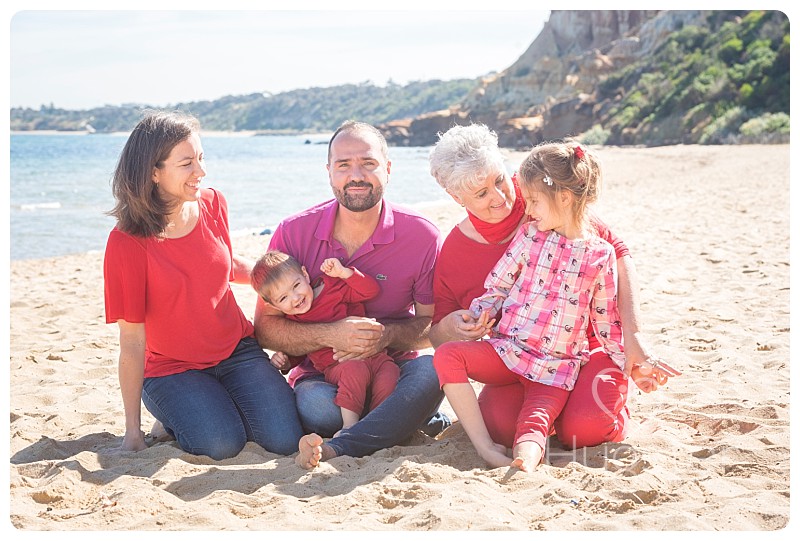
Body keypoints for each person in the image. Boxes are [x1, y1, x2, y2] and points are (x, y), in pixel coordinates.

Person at [428, 124, 680, 457]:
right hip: (518, 356)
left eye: (500, 180)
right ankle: (552, 414)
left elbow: (617, 251)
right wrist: (456, 326)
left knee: (587, 430)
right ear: (456, 197)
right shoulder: (455, 251)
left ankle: (598, 410)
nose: (501, 197)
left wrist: (634, 339)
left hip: (586, 348)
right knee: (500, 427)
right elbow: (438, 335)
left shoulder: (544, 193)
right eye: (481, 194)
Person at [103, 110, 303, 460]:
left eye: (201, 158)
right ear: (153, 172)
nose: (201, 172)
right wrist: (131, 433)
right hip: (172, 368)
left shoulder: (212, 203)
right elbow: (133, 341)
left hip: (236, 350)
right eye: (187, 164)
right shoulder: (127, 242)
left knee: (284, 440)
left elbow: (225, 266)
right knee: (220, 445)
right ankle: (166, 417)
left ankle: (208, 406)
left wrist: (280, 275)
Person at [253, 120, 448, 469]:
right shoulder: (292, 233)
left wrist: (384, 337)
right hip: (325, 377)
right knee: (316, 407)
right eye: (343, 165)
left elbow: (433, 324)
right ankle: (399, 422)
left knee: (435, 372)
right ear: (329, 172)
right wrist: (332, 334)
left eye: (368, 163)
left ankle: (346, 443)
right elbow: (266, 328)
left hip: (395, 369)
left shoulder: (421, 235)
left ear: (387, 169)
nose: (356, 175)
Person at [250, 250, 400, 435]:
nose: (295, 298)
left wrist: (345, 273)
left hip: (375, 355)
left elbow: (371, 291)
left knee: (390, 373)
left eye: (296, 285)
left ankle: (378, 424)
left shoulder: (332, 286)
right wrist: (286, 362)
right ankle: (350, 427)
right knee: (355, 369)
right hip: (339, 366)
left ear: (305, 274)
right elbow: (299, 350)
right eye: (283, 298)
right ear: (273, 306)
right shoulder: (293, 319)